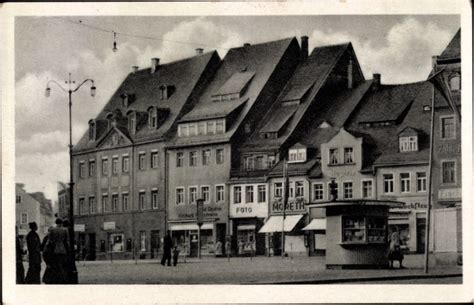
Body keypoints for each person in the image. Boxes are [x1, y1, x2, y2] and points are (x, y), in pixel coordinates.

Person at [44, 218, 70, 284]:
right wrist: (68, 250)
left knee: (55, 266)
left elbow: (49, 241)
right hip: (62, 250)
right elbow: (67, 241)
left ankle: (56, 279)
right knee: (62, 265)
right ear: (61, 223)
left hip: (54, 250)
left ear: (56, 222)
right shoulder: (65, 230)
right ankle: (62, 279)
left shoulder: (52, 230)